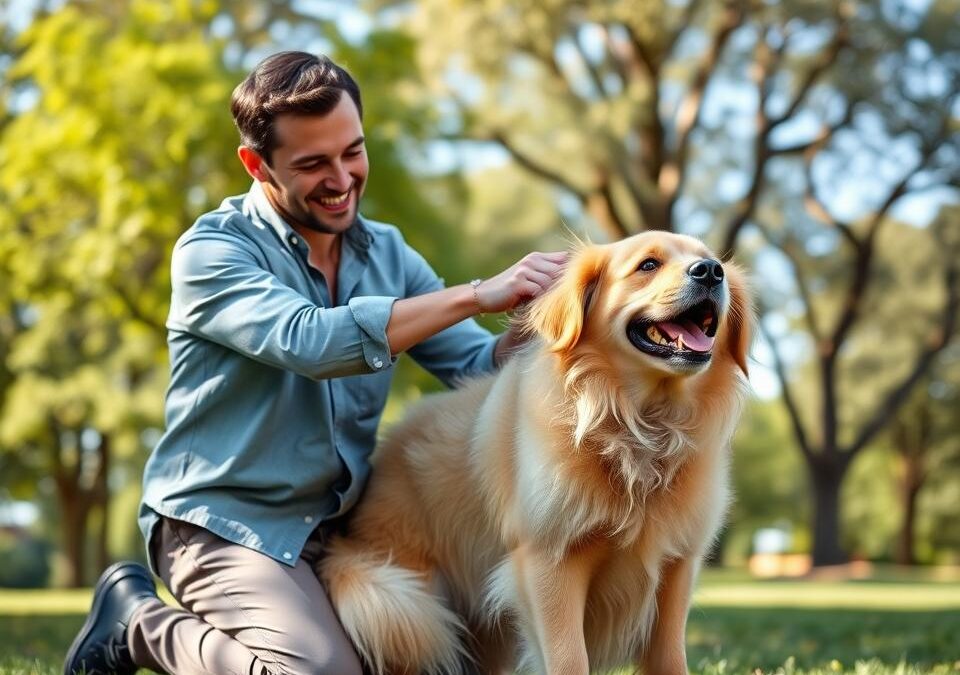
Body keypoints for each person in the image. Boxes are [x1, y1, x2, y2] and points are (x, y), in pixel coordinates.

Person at [63, 51, 566, 675]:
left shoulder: (387, 252)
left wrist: (554, 313)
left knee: (436, 661)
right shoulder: (212, 252)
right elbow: (312, 343)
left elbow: (474, 363)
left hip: (342, 530)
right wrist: (475, 292)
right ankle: (138, 624)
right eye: (312, 164)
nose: (341, 178)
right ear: (256, 163)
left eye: (352, 151)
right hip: (224, 526)